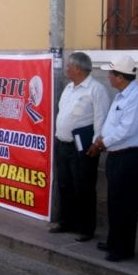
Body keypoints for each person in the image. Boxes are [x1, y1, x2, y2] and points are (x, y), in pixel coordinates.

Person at [88, 54, 138, 262]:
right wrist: (101, 138)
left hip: (130, 157)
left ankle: (123, 249)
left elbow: (127, 129)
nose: (108, 77)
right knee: (115, 202)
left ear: (120, 76)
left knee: (126, 204)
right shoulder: (121, 94)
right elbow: (111, 124)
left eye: (111, 73)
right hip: (116, 156)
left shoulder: (137, 96)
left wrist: (101, 144)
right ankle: (114, 241)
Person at [50, 52, 110, 242]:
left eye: (69, 66)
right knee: (65, 184)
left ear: (78, 68)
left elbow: (101, 118)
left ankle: (86, 228)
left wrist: (96, 143)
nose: (66, 69)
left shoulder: (96, 89)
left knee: (83, 187)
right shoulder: (69, 87)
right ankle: (67, 221)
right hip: (63, 144)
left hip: (83, 147)